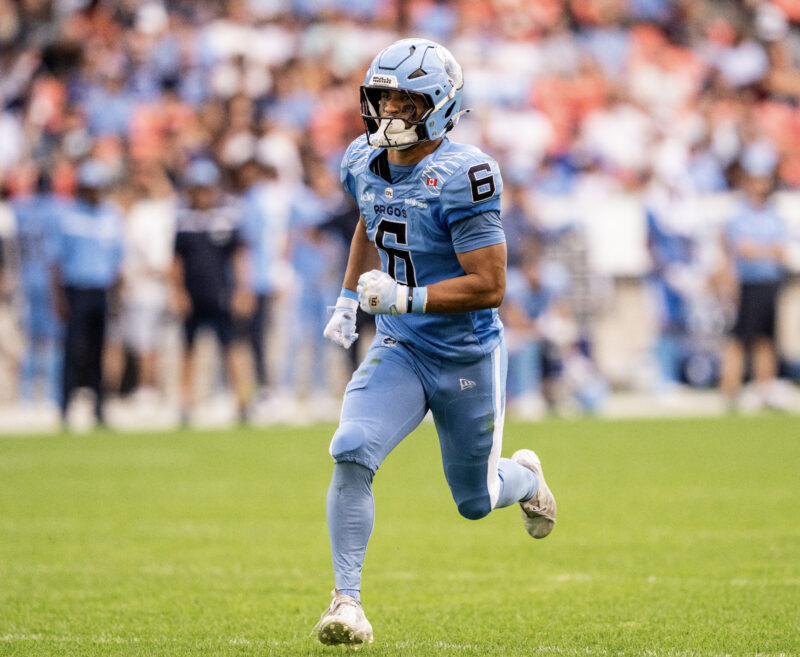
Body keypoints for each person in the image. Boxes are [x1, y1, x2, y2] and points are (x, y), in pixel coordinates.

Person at [313, 38, 558, 648]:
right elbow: (372, 220)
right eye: (384, 98)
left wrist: (405, 297)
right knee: (351, 448)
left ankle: (526, 479)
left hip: (465, 353)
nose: (391, 111)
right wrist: (347, 298)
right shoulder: (362, 159)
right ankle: (346, 602)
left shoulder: (464, 175)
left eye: (407, 101)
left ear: (440, 106)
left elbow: (490, 285)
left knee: (476, 499)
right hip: (401, 347)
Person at [170, 158, 254, 424]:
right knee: (188, 349)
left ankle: (242, 402)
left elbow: (238, 257)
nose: (202, 194)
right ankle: (185, 403)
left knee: (231, 347)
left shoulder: (226, 219)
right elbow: (176, 262)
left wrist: (242, 289)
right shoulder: (184, 221)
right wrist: (178, 292)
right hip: (193, 294)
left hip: (220, 293)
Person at [50, 159, 125, 426]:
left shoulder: (111, 216)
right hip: (76, 289)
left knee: (98, 350)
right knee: (72, 349)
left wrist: (117, 299)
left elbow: (117, 264)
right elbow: (56, 262)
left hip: (101, 289)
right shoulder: (68, 216)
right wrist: (58, 298)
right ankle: (65, 405)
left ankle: (99, 407)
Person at [718, 143, 789, 410]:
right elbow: (743, 250)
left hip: (770, 281)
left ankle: (765, 388)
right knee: (740, 336)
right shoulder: (739, 213)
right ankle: (730, 389)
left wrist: (761, 250)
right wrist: (766, 251)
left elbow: (781, 251)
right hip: (748, 282)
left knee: (766, 338)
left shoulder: (773, 212)